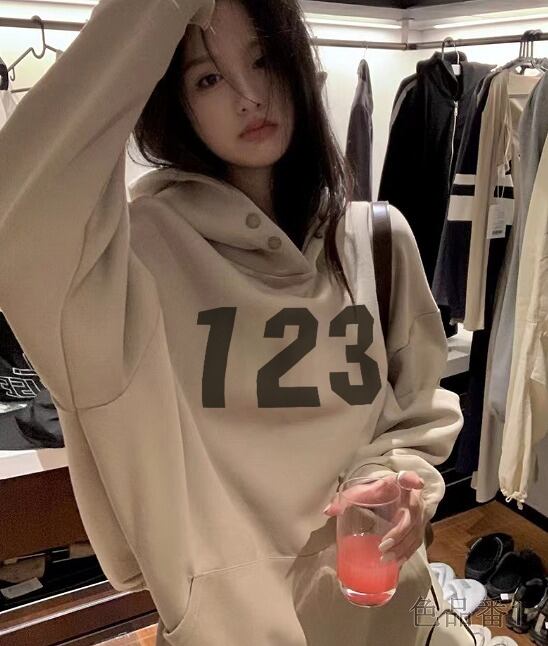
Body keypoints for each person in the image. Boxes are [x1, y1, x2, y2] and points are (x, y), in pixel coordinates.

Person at [0, 0, 476, 644]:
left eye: (264, 59)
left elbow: (417, 412)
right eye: (208, 78)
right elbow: (17, 216)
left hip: (390, 609)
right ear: (173, 99)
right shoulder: (133, 264)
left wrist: (397, 483)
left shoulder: (377, 241)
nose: (250, 96)